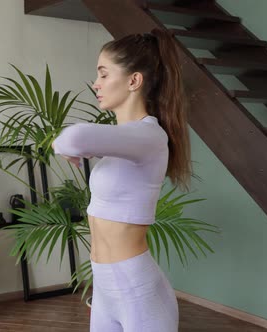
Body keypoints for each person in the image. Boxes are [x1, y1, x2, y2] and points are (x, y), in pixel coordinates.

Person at [52, 28, 192, 332]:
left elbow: (73, 138)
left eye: (103, 74)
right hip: (104, 289)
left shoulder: (149, 136)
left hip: (139, 295)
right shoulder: (124, 142)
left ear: (134, 81)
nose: (96, 84)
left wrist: (63, 145)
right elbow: (76, 141)